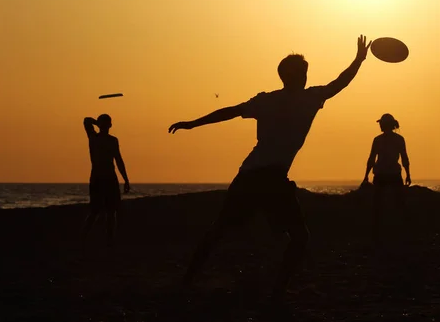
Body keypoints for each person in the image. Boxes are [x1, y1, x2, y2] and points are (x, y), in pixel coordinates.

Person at [169, 35, 371, 297]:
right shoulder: (307, 98)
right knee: (297, 237)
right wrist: (358, 60)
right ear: (296, 76)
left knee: (222, 230)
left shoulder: (269, 100)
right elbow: (339, 83)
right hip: (268, 178)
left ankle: (189, 280)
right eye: (303, 72)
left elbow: (229, 111)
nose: (305, 76)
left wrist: (192, 124)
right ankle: (275, 291)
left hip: (253, 175)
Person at [82, 114, 130, 248]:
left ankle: (107, 241)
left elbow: (119, 160)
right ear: (110, 125)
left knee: (107, 211)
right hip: (102, 176)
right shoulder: (97, 138)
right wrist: (126, 180)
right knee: (102, 211)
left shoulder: (97, 138)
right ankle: (101, 240)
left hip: (104, 176)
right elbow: (86, 120)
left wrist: (125, 179)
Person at [362, 113, 410, 242]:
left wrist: (366, 175)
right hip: (394, 173)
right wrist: (408, 174)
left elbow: (372, 159)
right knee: (398, 202)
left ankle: (377, 231)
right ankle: (401, 229)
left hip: (381, 174)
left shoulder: (378, 140)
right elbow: (404, 158)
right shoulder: (399, 139)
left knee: (378, 203)